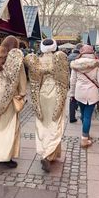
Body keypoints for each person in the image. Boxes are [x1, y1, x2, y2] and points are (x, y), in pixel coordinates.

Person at [25, 39, 69, 173]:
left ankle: (46, 151)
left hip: (42, 93)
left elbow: (33, 82)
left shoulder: (37, 61)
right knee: (56, 121)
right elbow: (64, 81)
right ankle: (49, 153)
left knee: (42, 122)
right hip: (56, 92)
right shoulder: (59, 59)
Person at [0, 35, 27, 168]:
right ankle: (6, 156)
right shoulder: (16, 60)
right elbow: (21, 79)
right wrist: (22, 94)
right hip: (9, 92)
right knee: (9, 125)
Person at [70, 45, 99, 148]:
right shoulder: (96, 65)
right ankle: (85, 138)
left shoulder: (75, 64)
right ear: (92, 52)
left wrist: (72, 94)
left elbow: (72, 81)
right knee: (87, 116)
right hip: (92, 94)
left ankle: (85, 134)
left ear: (81, 52)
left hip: (79, 93)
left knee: (83, 114)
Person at [68, 43, 83, 123]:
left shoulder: (69, 56)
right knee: (81, 98)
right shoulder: (81, 58)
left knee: (72, 98)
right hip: (80, 80)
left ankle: (72, 117)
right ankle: (82, 114)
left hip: (71, 78)